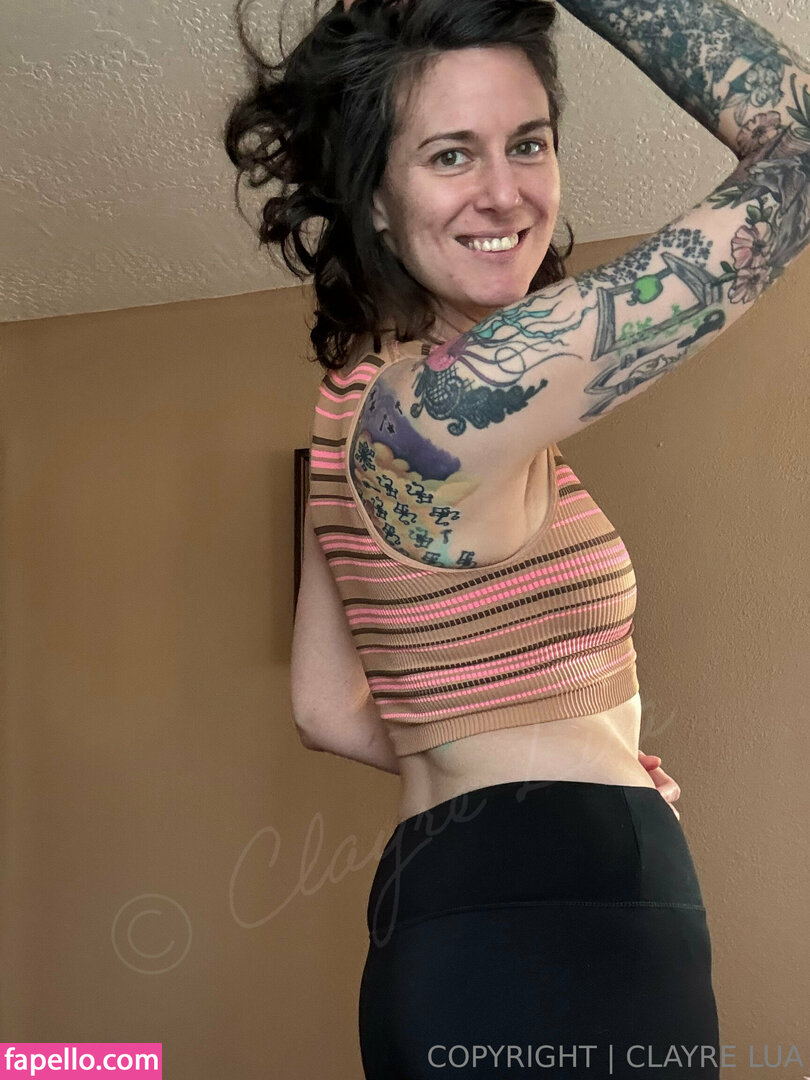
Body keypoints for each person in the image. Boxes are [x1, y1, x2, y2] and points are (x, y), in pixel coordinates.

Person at [224, 0, 810, 1075]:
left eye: (529, 143)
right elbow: (802, 143)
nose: (505, 191)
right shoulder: (456, 405)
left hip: (452, 909)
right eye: (451, 154)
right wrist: (568, 788)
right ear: (376, 198)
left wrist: (536, 758)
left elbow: (325, 706)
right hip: (562, 916)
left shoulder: (354, 404)